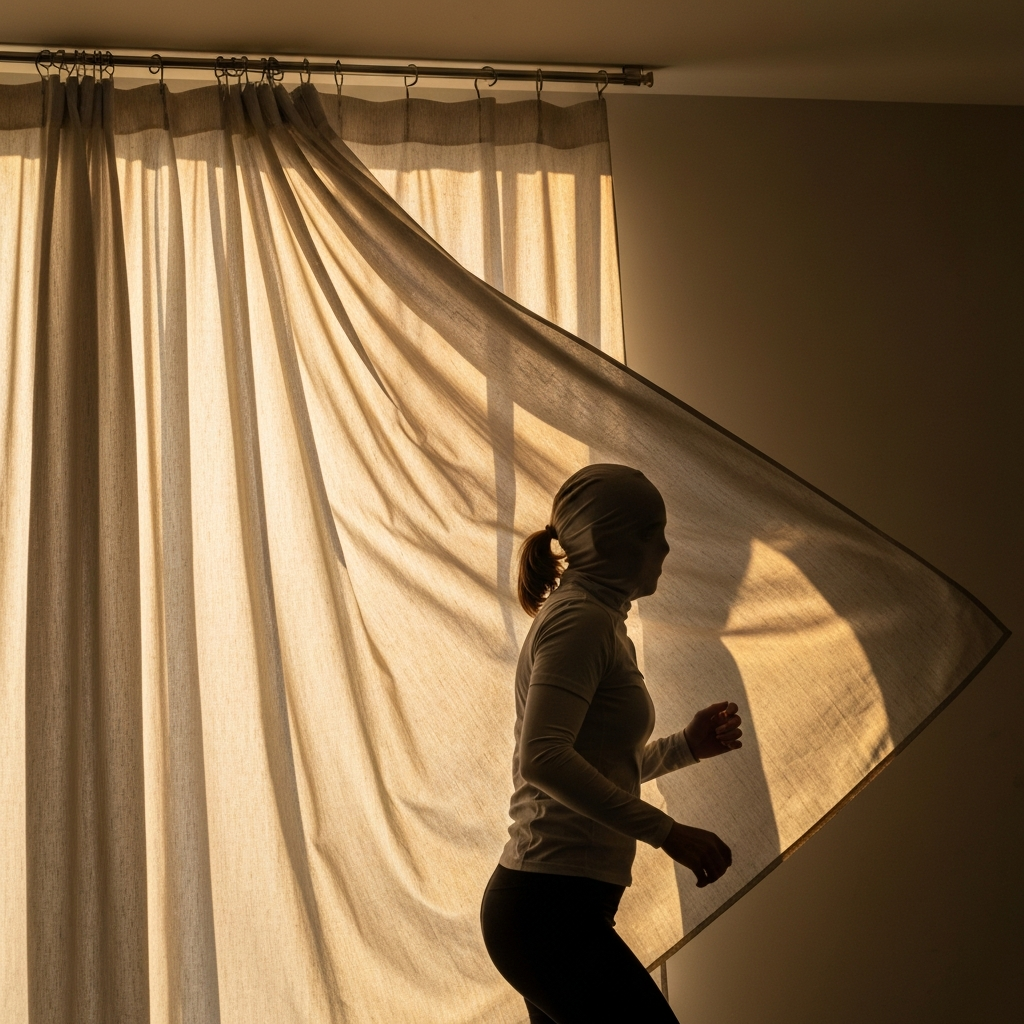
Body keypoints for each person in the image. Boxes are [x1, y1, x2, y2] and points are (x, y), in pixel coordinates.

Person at [480, 464, 743, 1024]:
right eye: (652, 531)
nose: (666, 547)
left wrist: (684, 748)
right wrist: (667, 832)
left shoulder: (597, 620)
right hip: (546, 910)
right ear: (605, 541)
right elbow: (543, 759)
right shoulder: (581, 622)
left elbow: (588, 761)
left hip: (555, 909)